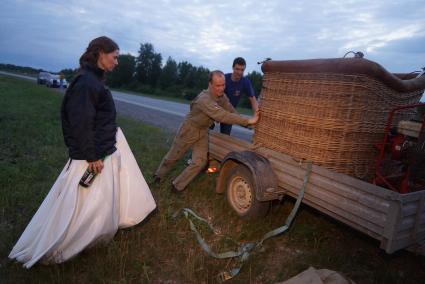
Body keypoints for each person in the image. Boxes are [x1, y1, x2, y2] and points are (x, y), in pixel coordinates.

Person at [9, 36, 156, 268]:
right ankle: (66, 244)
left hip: (100, 149)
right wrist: (92, 156)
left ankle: (92, 237)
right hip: (91, 155)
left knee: (95, 203)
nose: (117, 62)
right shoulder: (86, 83)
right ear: (100, 53)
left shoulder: (93, 80)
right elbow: (80, 123)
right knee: (78, 205)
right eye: (115, 57)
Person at [154, 70, 259, 192]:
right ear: (210, 84)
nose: (221, 88)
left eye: (223, 85)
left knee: (200, 162)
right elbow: (221, 115)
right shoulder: (204, 99)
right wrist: (248, 121)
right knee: (173, 156)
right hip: (189, 129)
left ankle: (177, 186)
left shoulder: (222, 97)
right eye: (218, 85)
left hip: (203, 131)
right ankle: (158, 175)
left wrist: (249, 125)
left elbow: (231, 111)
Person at [220, 57, 259, 135]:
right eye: (237, 69)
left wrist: (256, 116)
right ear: (233, 68)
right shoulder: (224, 78)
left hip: (230, 113)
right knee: (206, 127)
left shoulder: (245, 82)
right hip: (217, 108)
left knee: (225, 135)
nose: (239, 72)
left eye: (242, 70)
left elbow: (253, 100)